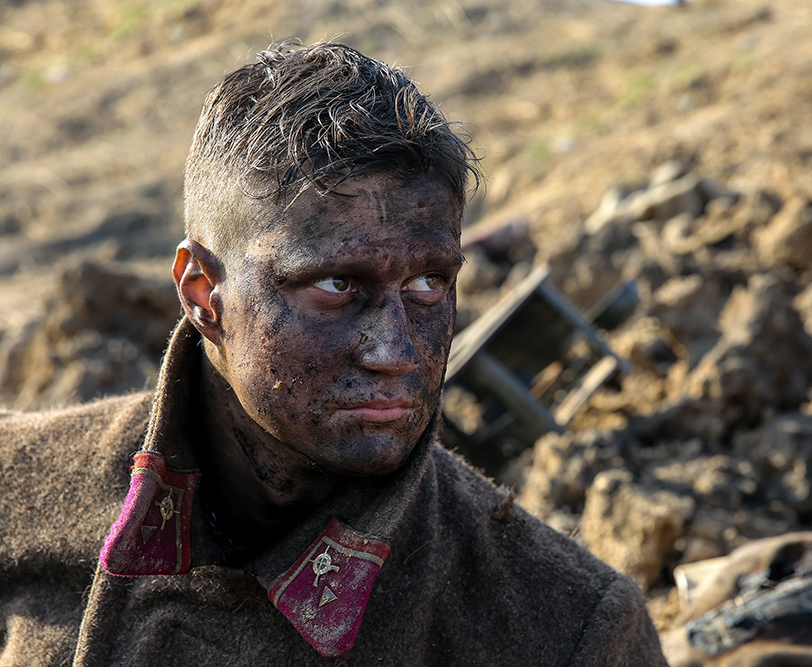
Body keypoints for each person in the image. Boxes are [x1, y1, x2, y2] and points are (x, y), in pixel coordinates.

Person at [0, 41, 666, 665]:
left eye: (429, 283)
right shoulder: (19, 494)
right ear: (203, 293)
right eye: (337, 286)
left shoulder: (570, 630)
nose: (396, 352)